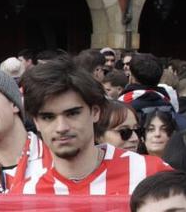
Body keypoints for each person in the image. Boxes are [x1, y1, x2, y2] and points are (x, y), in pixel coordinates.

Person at [15, 61, 166, 195]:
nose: (61, 127)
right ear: (36, 122)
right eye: (48, 117)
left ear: (95, 112)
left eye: (72, 113)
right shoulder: (25, 194)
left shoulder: (151, 174)